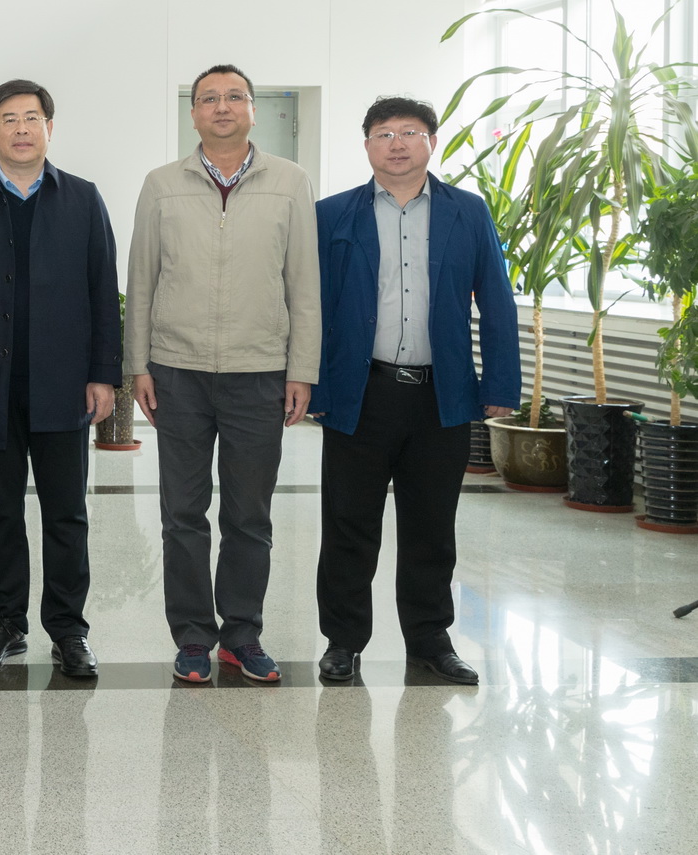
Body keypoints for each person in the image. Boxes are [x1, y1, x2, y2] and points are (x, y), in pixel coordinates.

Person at [312, 97, 519, 685]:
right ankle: (343, 641)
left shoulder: (467, 212)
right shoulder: (332, 214)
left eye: (410, 132)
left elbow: (497, 300)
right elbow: (310, 306)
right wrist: (313, 385)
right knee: (348, 524)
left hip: (440, 395)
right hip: (361, 392)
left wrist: (500, 383)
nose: (397, 143)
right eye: (383, 133)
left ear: (431, 141)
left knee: (432, 526)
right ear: (367, 146)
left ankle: (430, 640)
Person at [125, 64, 320, 684]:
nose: (222, 107)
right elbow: (141, 280)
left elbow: (304, 284)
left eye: (235, 96)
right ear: (194, 114)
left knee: (249, 517)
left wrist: (301, 369)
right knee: (183, 514)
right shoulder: (161, 185)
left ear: (253, 110)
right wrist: (137, 366)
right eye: (209, 98)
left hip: (258, 372)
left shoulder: (290, 182)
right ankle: (191, 635)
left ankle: (242, 634)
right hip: (177, 372)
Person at [0, 80, 121, 679]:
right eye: (8, 119)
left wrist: (103, 375)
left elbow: (103, 290)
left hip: (63, 385)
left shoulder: (83, 199)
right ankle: (6, 622)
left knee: (66, 513)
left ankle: (69, 629)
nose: (21, 129)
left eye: (32, 117)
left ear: (50, 128)